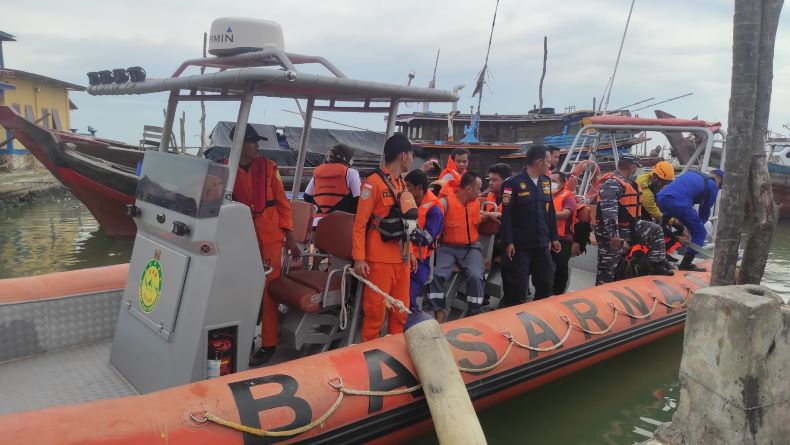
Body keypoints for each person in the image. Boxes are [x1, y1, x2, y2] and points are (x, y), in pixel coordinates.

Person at [228, 124, 301, 366]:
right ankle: (243, 337)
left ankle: (268, 343)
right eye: (252, 141)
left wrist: (289, 236)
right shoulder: (224, 170)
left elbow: (282, 203)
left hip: (270, 238)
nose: (257, 146)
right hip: (240, 238)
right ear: (240, 144)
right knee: (240, 291)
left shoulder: (270, 169)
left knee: (269, 292)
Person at [352, 133, 414, 341]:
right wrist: (359, 258)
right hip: (380, 260)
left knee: (401, 310)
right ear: (404, 156)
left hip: (402, 259)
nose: (412, 160)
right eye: (411, 155)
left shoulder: (402, 185)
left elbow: (407, 224)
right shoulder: (373, 183)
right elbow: (360, 223)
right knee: (374, 313)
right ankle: (369, 353)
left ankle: (395, 348)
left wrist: (411, 253)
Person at [595, 153, 674, 285]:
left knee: (655, 230)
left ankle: (657, 265)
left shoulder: (629, 183)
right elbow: (609, 212)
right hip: (610, 232)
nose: (636, 170)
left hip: (629, 227)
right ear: (631, 167)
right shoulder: (612, 183)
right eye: (635, 167)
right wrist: (614, 235)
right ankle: (601, 292)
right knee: (607, 269)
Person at [429, 171, 496, 318]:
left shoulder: (476, 204)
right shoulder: (445, 203)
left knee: (476, 277)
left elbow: (476, 219)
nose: (480, 192)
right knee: (438, 276)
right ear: (469, 189)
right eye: (478, 188)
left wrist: (491, 215)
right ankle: (438, 312)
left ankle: (475, 311)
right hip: (447, 248)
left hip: (471, 248)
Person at [500, 145, 561, 303]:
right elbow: (506, 216)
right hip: (520, 246)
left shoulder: (546, 182)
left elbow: (550, 212)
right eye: (547, 161)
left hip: (541, 244)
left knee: (546, 282)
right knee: (517, 287)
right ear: (539, 162)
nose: (550, 164)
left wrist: (554, 237)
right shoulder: (512, 183)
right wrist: (508, 242)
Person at [657, 168, 724, 272]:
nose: (719, 188)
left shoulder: (693, 173)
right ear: (719, 180)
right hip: (679, 203)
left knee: (662, 225)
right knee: (701, 232)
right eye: (720, 186)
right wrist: (696, 226)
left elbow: (683, 191)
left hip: (661, 198)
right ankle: (686, 264)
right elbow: (705, 209)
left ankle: (659, 254)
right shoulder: (713, 185)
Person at [404, 169, 444, 313]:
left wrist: (405, 230)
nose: (405, 189)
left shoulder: (434, 210)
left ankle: (414, 321)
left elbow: (427, 238)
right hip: (403, 256)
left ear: (419, 188)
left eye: (408, 186)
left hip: (420, 261)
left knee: (408, 297)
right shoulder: (407, 202)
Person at [304, 143, 361, 227]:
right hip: (341, 224)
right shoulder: (351, 173)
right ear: (347, 159)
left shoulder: (317, 173)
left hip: (317, 223)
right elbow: (359, 199)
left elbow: (307, 196)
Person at [550, 171, 578, 295]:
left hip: (562, 237)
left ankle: (558, 293)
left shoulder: (568, 196)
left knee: (561, 264)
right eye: (549, 181)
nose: (551, 184)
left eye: (554, 181)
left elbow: (566, 213)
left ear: (562, 183)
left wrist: (545, 215)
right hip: (545, 235)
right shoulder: (545, 195)